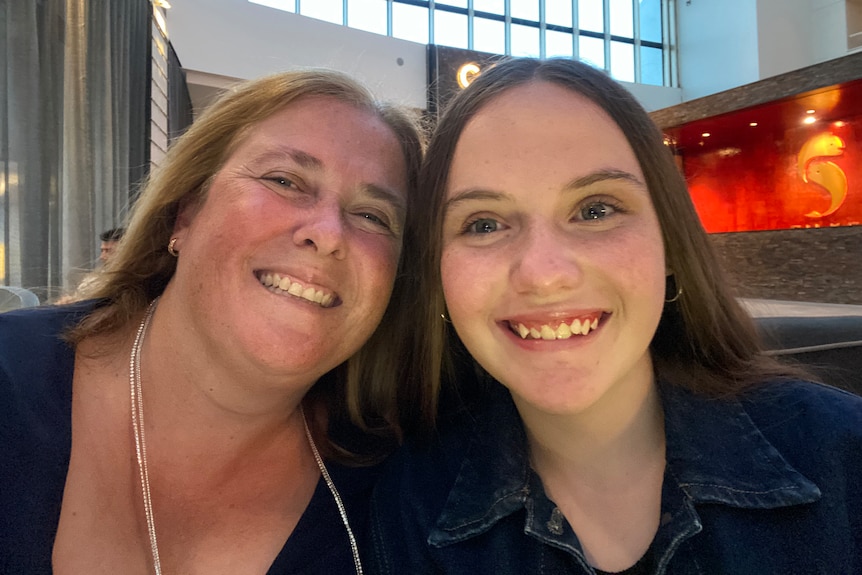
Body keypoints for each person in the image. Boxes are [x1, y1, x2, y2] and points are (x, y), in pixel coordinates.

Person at [370, 58, 862, 574]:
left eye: (596, 209)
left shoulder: (844, 460)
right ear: (438, 275)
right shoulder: (408, 505)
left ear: (671, 244)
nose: (544, 274)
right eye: (485, 223)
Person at [0, 68, 423, 574]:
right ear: (185, 215)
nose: (329, 234)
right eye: (285, 181)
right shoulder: (11, 382)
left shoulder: (403, 490)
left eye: (374, 216)